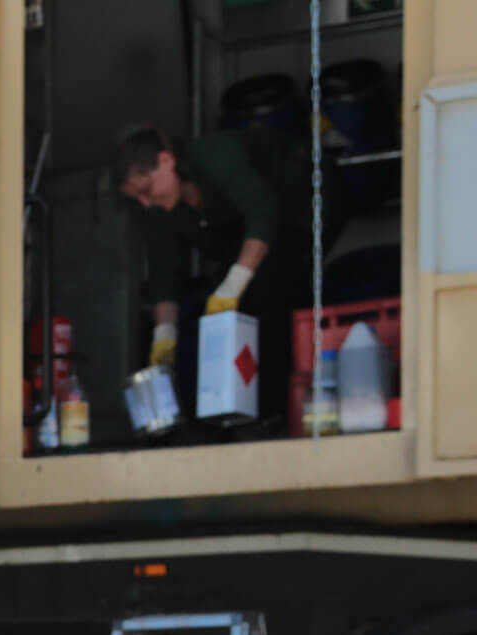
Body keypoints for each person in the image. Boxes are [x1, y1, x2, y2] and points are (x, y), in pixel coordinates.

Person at [115, 124, 343, 428]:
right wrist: (164, 333)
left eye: (146, 190)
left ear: (167, 161)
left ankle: (274, 414)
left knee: (268, 285)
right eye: (137, 198)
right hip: (251, 230)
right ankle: (228, 410)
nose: (145, 202)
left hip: (306, 203)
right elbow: (164, 275)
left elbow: (262, 211)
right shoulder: (159, 209)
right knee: (216, 301)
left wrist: (235, 283)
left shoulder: (214, 155)